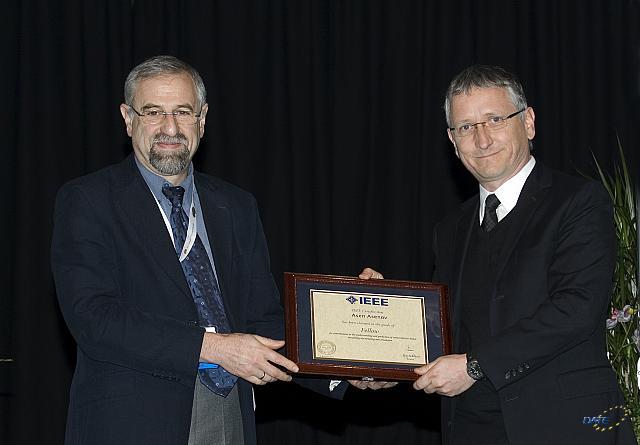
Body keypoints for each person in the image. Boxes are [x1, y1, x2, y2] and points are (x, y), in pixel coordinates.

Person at [51, 55, 345, 445]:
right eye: (153, 112)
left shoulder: (236, 206)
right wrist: (214, 348)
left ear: (202, 119)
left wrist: (347, 362)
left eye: (183, 112)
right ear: (128, 118)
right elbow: (93, 317)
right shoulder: (88, 200)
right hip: (130, 423)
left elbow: (264, 321)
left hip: (228, 415)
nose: (169, 127)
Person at [362, 64, 635, 444]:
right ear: (452, 141)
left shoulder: (578, 202)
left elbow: (577, 308)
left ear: (528, 122)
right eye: (466, 127)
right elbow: (445, 331)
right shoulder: (451, 228)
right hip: (470, 428)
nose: (482, 139)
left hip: (563, 426)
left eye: (494, 119)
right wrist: (385, 334)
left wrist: (475, 366)